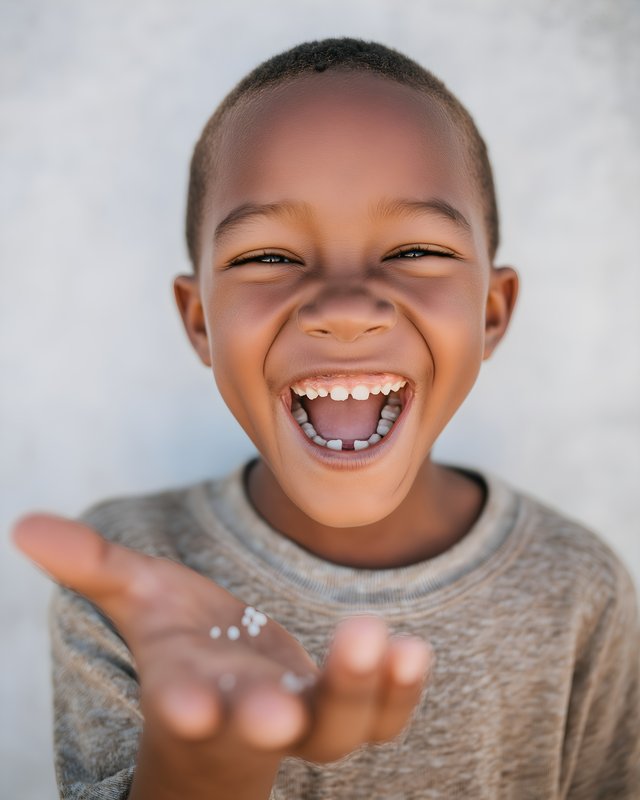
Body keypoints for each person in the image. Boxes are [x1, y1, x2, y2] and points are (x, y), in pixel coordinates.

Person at [12, 38, 640, 800]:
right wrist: (204, 768)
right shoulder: (132, 581)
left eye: (415, 248)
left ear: (491, 312)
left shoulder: (577, 588)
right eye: (268, 258)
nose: (344, 307)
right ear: (200, 320)